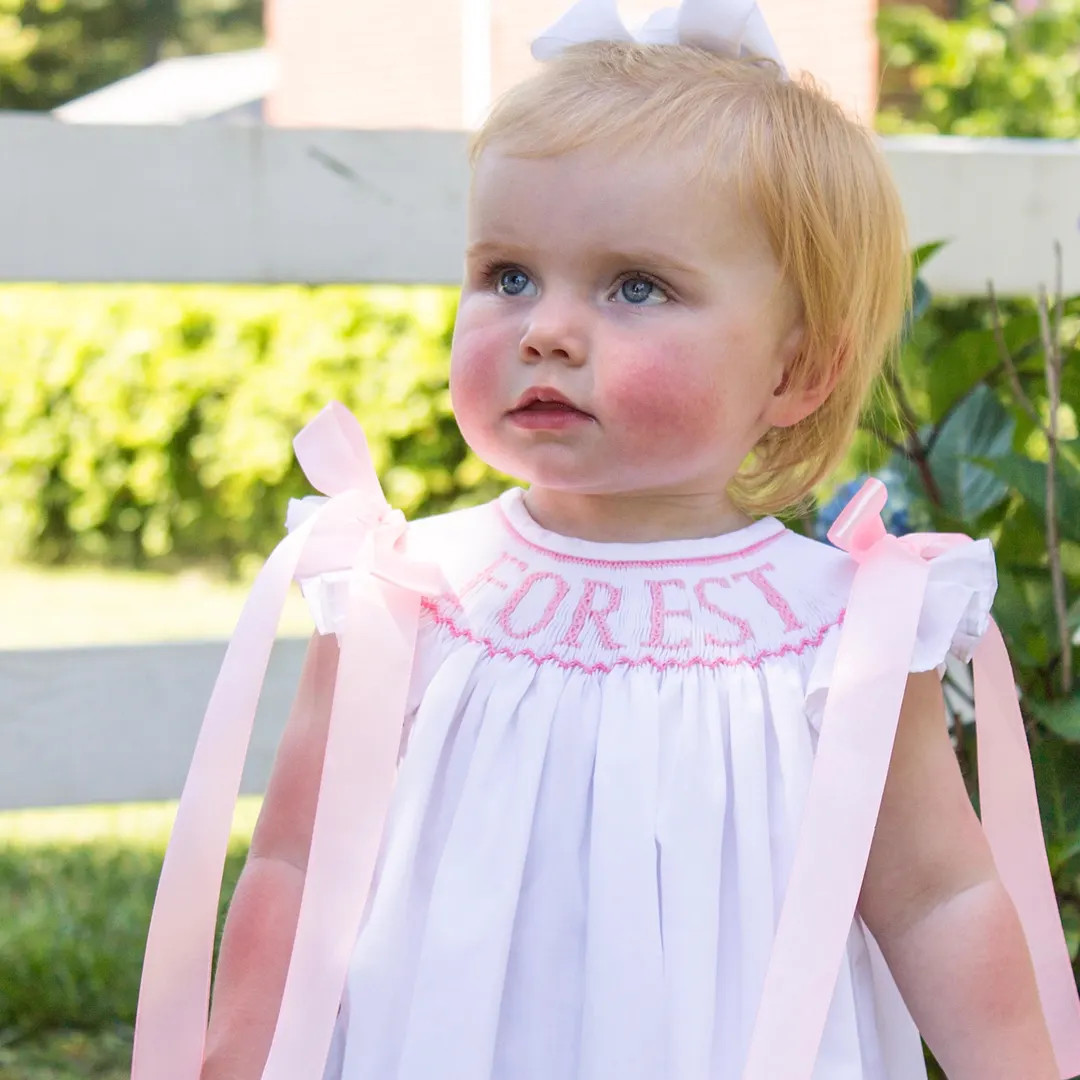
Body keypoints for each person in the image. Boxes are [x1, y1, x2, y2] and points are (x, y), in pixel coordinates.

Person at [183, 1, 1076, 1078]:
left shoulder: (840, 626)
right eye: (508, 274)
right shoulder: (408, 590)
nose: (546, 327)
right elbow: (293, 855)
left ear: (797, 371)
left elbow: (937, 897)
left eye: (635, 285)